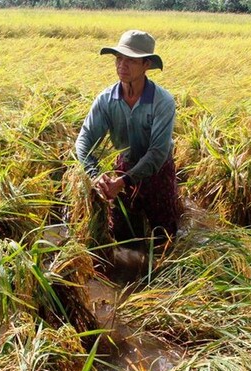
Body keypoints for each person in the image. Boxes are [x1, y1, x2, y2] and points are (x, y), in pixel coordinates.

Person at [75, 30, 180, 249]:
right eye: (119, 58)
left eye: (131, 60)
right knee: (122, 235)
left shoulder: (162, 102)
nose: (122, 65)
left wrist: (122, 182)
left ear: (146, 65)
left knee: (165, 236)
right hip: (124, 167)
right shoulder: (106, 100)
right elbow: (83, 142)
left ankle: (164, 277)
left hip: (158, 171)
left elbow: (157, 153)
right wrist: (95, 175)